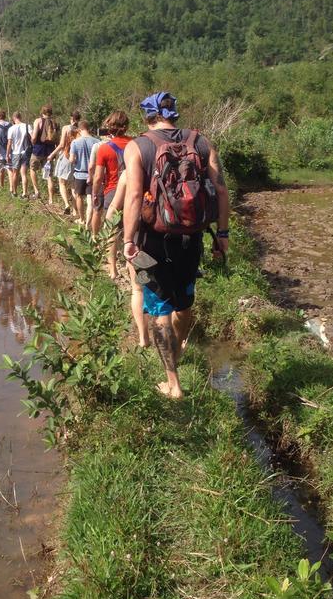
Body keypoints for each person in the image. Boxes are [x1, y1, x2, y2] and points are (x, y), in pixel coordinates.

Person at [122, 92, 230, 400]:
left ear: (148, 116)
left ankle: (173, 383)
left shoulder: (138, 146)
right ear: (175, 113)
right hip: (191, 235)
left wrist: (128, 240)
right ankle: (178, 353)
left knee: (160, 312)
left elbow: (133, 196)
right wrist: (223, 235)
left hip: (153, 239)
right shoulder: (202, 142)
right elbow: (221, 191)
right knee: (184, 304)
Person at [105, 170, 149, 346]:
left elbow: (114, 208)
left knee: (138, 288)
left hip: (138, 240)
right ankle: (171, 340)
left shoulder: (129, 173)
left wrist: (108, 233)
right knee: (163, 289)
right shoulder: (170, 168)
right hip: (166, 240)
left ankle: (143, 338)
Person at [91, 112, 131, 233]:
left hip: (113, 191)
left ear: (110, 128)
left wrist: (95, 194)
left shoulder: (104, 148)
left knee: (111, 231)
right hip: (133, 189)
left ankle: (112, 252)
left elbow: (98, 177)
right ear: (126, 127)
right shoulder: (135, 143)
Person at [69, 120, 99, 225]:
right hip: (93, 174)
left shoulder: (75, 142)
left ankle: (82, 219)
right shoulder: (96, 141)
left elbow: (71, 160)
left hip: (80, 174)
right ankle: (88, 223)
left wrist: (76, 160)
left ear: (80, 129)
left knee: (79, 196)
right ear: (88, 128)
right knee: (90, 199)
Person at [30, 105, 58, 202]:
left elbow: (34, 137)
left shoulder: (38, 121)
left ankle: (36, 191)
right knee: (49, 175)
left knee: (32, 169)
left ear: (42, 112)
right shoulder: (54, 123)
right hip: (50, 152)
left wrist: (32, 142)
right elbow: (57, 140)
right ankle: (51, 199)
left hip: (38, 150)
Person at [48, 124, 78, 214]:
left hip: (66, 156)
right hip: (76, 158)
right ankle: (75, 210)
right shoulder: (79, 129)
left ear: (71, 118)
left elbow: (61, 144)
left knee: (62, 182)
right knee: (73, 185)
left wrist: (52, 154)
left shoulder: (66, 128)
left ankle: (66, 204)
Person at [87, 127, 109, 230]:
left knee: (97, 209)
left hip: (99, 179)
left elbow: (91, 165)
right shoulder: (115, 144)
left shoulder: (97, 146)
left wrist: (90, 177)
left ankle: (95, 235)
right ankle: (108, 232)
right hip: (113, 180)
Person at [6, 111, 32, 198]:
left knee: (15, 173)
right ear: (20, 117)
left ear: (13, 118)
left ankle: (14, 192)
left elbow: (9, 143)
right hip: (25, 152)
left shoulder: (11, 129)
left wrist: (7, 154)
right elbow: (32, 138)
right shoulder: (27, 126)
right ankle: (24, 193)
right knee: (24, 173)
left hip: (15, 153)